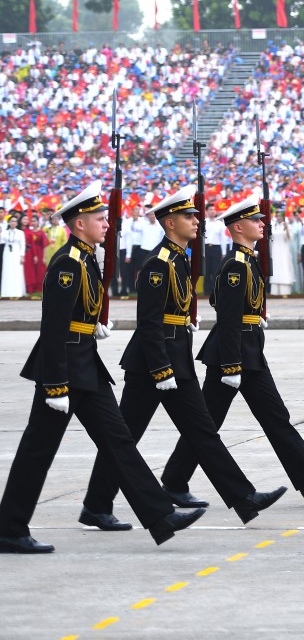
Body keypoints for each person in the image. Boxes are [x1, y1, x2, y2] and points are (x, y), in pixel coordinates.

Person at [0, 181, 204, 554]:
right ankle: (10, 528)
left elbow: (77, 312)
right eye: (99, 218)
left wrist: (91, 323)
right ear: (79, 224)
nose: (107, 224)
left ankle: (159, 516)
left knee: (119, 441)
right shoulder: (67, 263)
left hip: (86, 366)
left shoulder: (87, 258)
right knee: (37, 451)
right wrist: (56, 384)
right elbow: (53, 328)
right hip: (62, 369)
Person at [79, 186, 287, 533]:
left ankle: (244, 498)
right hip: (152, 365)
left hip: (176, 360)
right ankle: (97, 505)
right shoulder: (158, 265)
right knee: (125, 438)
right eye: (189, 217)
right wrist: (161, 369)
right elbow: (149, 323)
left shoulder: (178, 260)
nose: (196, 221)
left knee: (203, 432)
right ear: (170, 222)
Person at [160, 195, 304, 509]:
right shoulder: (235, 266)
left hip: (249, 350)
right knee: (208, 424)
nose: (262, 224)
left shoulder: (248, 260)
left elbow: (222, 303)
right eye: (255, 221)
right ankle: (173, 480)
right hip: (233, 355)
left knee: (274, 417)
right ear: (238, 227)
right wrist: (231, 364)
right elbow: (226, 318)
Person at [1, 215, 27, 297]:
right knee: (7, 271)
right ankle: (6, 292)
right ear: (9, 222)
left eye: (15, 221)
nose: (13, 223)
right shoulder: (4, 232)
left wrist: (22, 256)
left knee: (16, 271)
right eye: (11, 221)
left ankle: (17, 292)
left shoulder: (20, 232)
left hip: (16, 252)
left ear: (17, 223)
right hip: (7, 252)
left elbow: (22, 245)